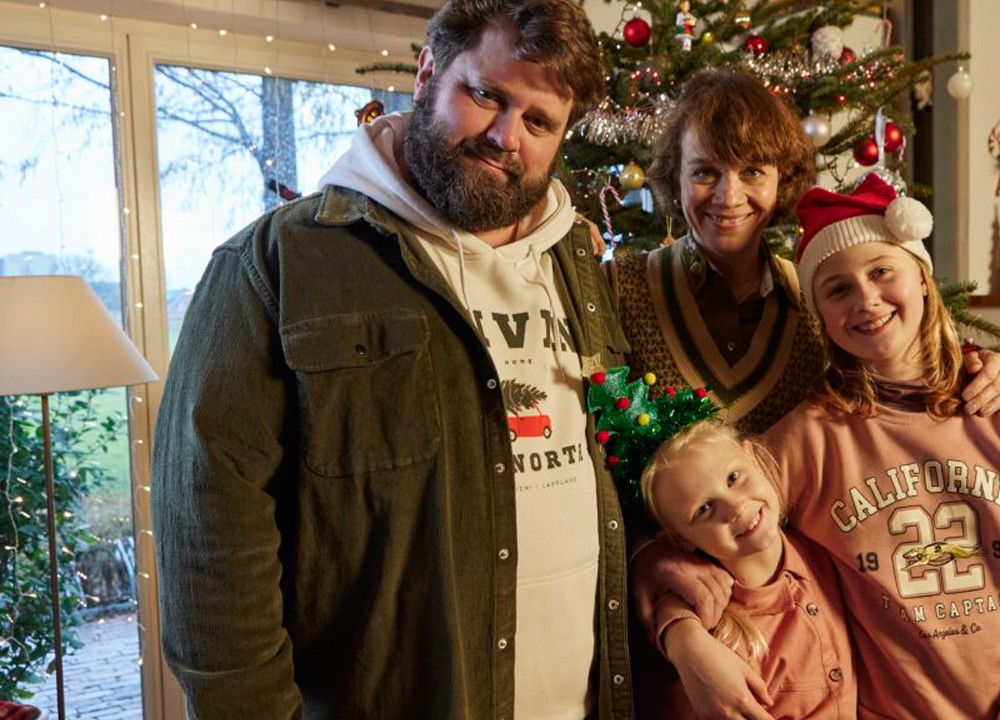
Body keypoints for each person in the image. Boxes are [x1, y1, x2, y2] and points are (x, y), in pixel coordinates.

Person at [150, 0, 636, 717]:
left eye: (539, 122)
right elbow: (209, 555)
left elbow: (620, 466)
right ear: (429, 70)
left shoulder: (579, 263)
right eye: (486, 95)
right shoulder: (275, 265)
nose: (506, 137)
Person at [643, 174, 1000, 719]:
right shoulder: (810, 439)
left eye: (882, 271)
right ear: (821, 314)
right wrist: (682, 635)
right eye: (837, 289)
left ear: (923, 279)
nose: (866, 299)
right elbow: (687, 534)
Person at [609, 69, 1000, 440]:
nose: (728, 196)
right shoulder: (621, 288)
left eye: (752, 171)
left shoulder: (822, 295)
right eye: (704, 172)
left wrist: (984, 365)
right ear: (674, 179)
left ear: (782, 180)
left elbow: (904, 358)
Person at [638, 419, 856, 719]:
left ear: (753, 457)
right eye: (704, 508)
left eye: (733, 477)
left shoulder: (824, 542)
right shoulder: (720, 648)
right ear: (680, 541)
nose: (735, 507)